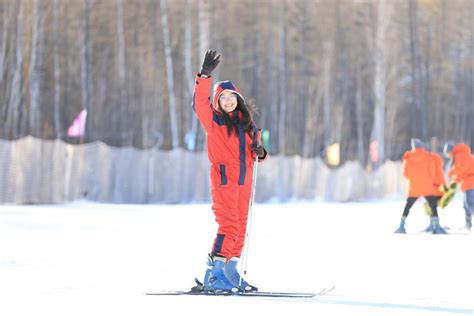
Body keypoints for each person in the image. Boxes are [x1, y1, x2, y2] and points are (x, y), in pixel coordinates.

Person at [192, 50, 267, 292]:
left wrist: (260, 152)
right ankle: (213, 275)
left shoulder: (248, 125)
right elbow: (199, 104)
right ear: (217, 102)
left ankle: (230, 272)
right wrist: (204, 77)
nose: (227, 101)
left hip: (244, 182)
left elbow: (257, 151)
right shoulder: (214, 122)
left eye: (231, 97)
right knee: (229, 225)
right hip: (225, 179)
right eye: (222, 98)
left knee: (241, 227)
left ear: (238, 99)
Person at [395, 138, 447, 234]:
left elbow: (405, 173)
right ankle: (436, 225)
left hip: (414, 186)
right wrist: (428, 179)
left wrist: (414, 178)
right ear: (421, 146)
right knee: (433, 206)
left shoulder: (408, 157)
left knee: (408, 206)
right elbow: (433, 171)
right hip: (427, 185)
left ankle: (402, 226)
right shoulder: (428, 156)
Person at [443, 142, 474, 230]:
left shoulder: (460, 156)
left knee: (470, 204)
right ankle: (468, 225)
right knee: (466, 204)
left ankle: (468, 224)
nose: (448, 156)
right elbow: (462, 171)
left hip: (471, 182)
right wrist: (455, 178)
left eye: (447, 154)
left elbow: (461, 170)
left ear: (450, 151)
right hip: (468, 182)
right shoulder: (460, 155)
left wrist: (452, 175)